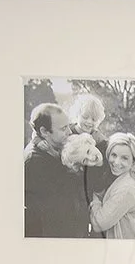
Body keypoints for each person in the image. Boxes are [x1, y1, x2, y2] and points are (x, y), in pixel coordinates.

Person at [23, 101, 92, 238]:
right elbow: (56, 213)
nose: (69, 132)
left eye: (68, 126)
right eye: (63, 128)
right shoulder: (36, 162)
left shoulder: (54, 148)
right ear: (44, 132)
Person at [90, 133, 135, 239]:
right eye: (114, 155)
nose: (116, 162)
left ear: (133, 161)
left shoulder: (128, 187)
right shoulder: (127, 176)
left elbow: (98, 224)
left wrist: (95, 197)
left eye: (124, 158)